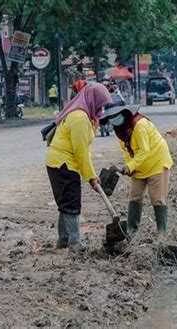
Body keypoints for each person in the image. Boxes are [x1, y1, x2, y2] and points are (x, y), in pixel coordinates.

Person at [45, 84, 112, 252]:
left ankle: (64, 240)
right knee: (71, 203)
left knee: (65, 201)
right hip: (63, 164)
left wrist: (91, 175)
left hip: (61, 163)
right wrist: (91, 177)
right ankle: (75, 244)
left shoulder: (85, 116)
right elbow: (81, 152)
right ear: (93, 100)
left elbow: (84, 151)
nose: (101, 109)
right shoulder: (80, 118)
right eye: (100, 104)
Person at [100, 95, 173, 237]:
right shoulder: (119, 129)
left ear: (124, 112)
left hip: (156, 162)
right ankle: (131, 232)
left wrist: (130, 166)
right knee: (135, 196)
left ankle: (162, 234)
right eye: (110, 117)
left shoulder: (139, 125)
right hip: (139, 164)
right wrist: (128, 167)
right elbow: (127, 150)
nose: (113, 118)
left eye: (115, 115)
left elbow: (144, 150)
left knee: (157, 198)